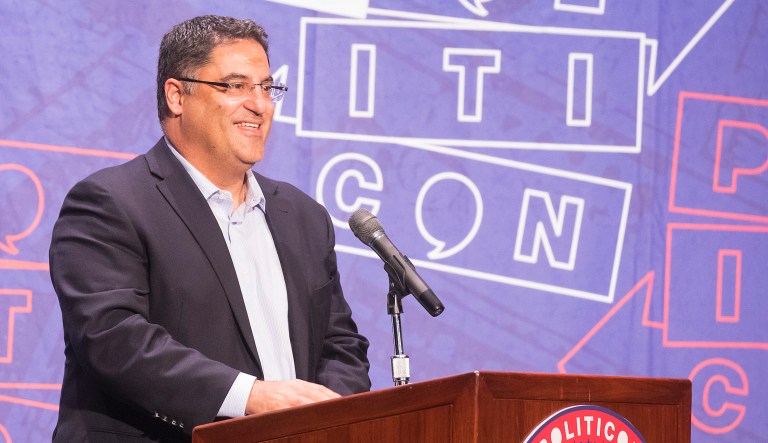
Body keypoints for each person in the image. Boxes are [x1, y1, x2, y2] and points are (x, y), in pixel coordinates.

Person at [49, 15, 370, 442]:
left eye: (267, 87)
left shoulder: (303, 216)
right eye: (235, 86)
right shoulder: (111, 203)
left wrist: (326, 413)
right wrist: (251, 398)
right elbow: (113, 339)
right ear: (177, 96)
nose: (260, 104)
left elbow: (340, 344)